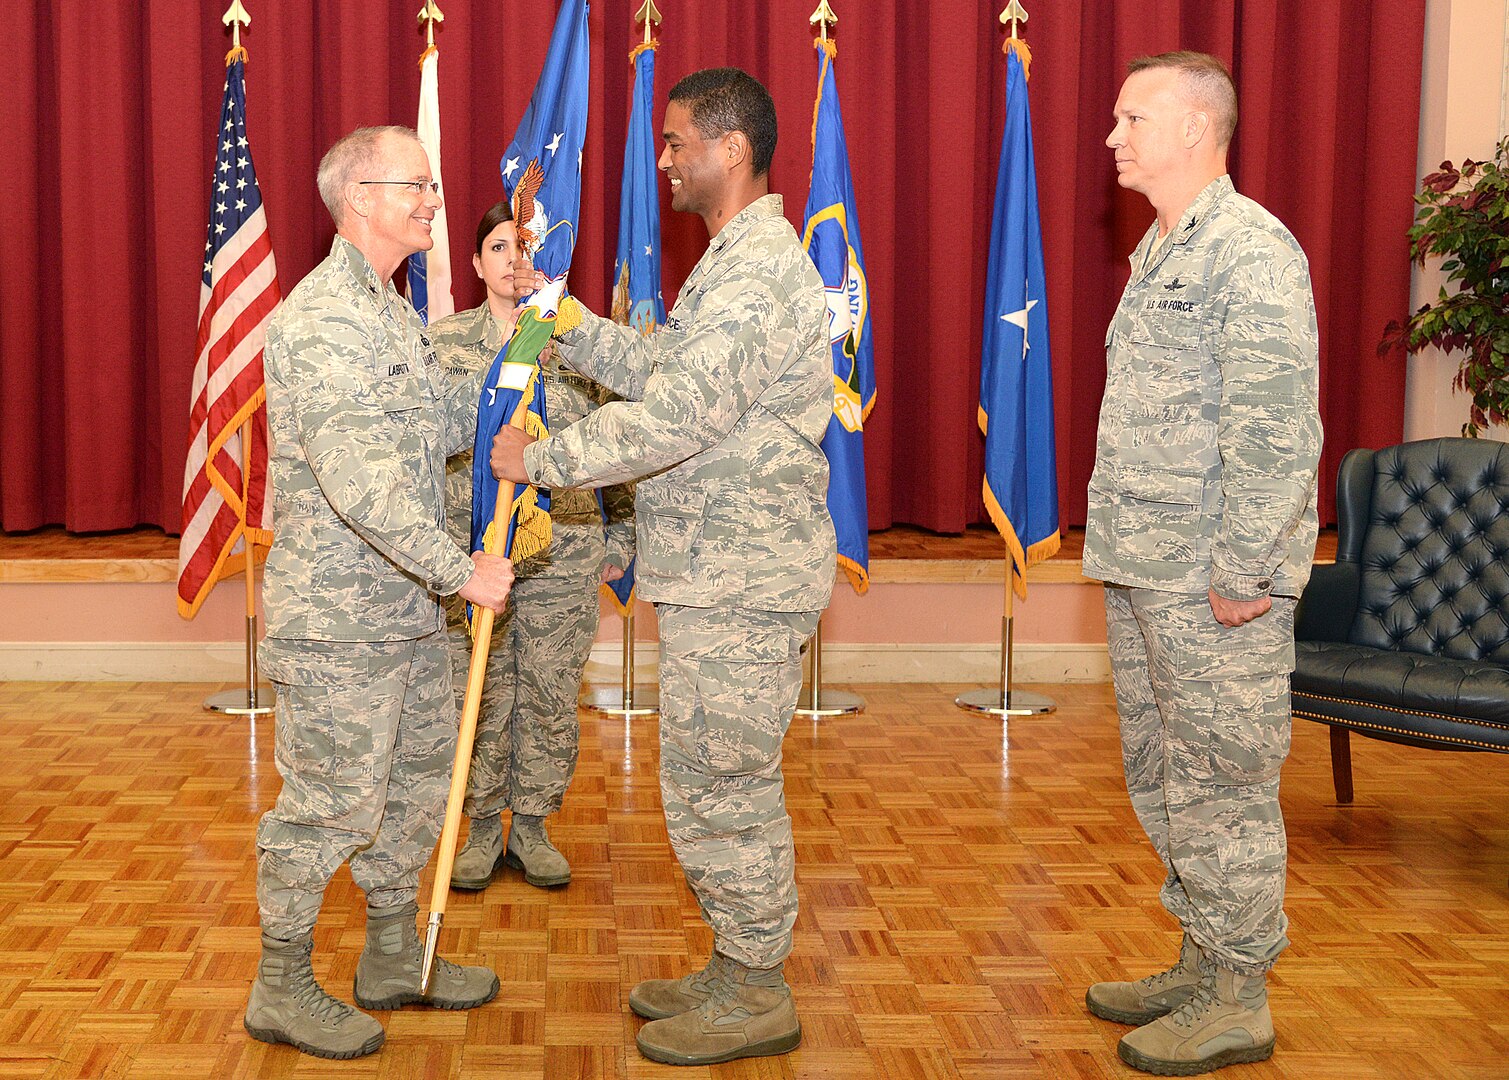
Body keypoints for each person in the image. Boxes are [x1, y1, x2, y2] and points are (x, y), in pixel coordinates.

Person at [491, 67, 835, 1067]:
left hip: (743, 578)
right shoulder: (731, 263)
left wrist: (543, 461)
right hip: (715, 572)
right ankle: (737, 963)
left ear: (732, 149)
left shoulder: (761, 269)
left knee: (725, 780)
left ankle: (759, 988)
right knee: (703, 778)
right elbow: (665, 374)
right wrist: (566, 316)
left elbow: (680, 420)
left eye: (679, 140)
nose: (665, 157)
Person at [245, 125, 514, 1061]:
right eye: (420, 185)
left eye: (436, 185)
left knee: (412, 791)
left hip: (406, 615)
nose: (436, 200)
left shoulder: (393, 311)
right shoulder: (323, 319)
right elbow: (362, 486)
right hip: (341, 624)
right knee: (328, 805)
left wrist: (513, 359)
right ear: (360, 195)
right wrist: (461, 573)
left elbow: (441, 425)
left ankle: (392, 955)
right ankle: (279, 983)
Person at [1081, 52, 1322, 1075]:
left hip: (1215, 583)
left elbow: (1273, 429)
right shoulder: (1160, 249)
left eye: (1134, 118)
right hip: (1147, 565)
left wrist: (1245, 569)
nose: (1112, 136)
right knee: (1167, 779)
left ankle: (1239, 995)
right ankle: (1201, 956)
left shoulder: (1251, 250)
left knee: (1223, 783)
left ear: (1196, 130)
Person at [429, 202, 635, 892]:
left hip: (566, 549)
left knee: (548, 692)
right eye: (498, 247)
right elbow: (422, 454)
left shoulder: (581, 343)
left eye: (526, 249)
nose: (514, 261)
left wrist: (623, 536)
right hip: (475, 551)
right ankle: (483, 826)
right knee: (481, 690)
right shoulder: (443, 344)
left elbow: (621, 444)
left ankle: (536, 824)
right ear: (477, 262)